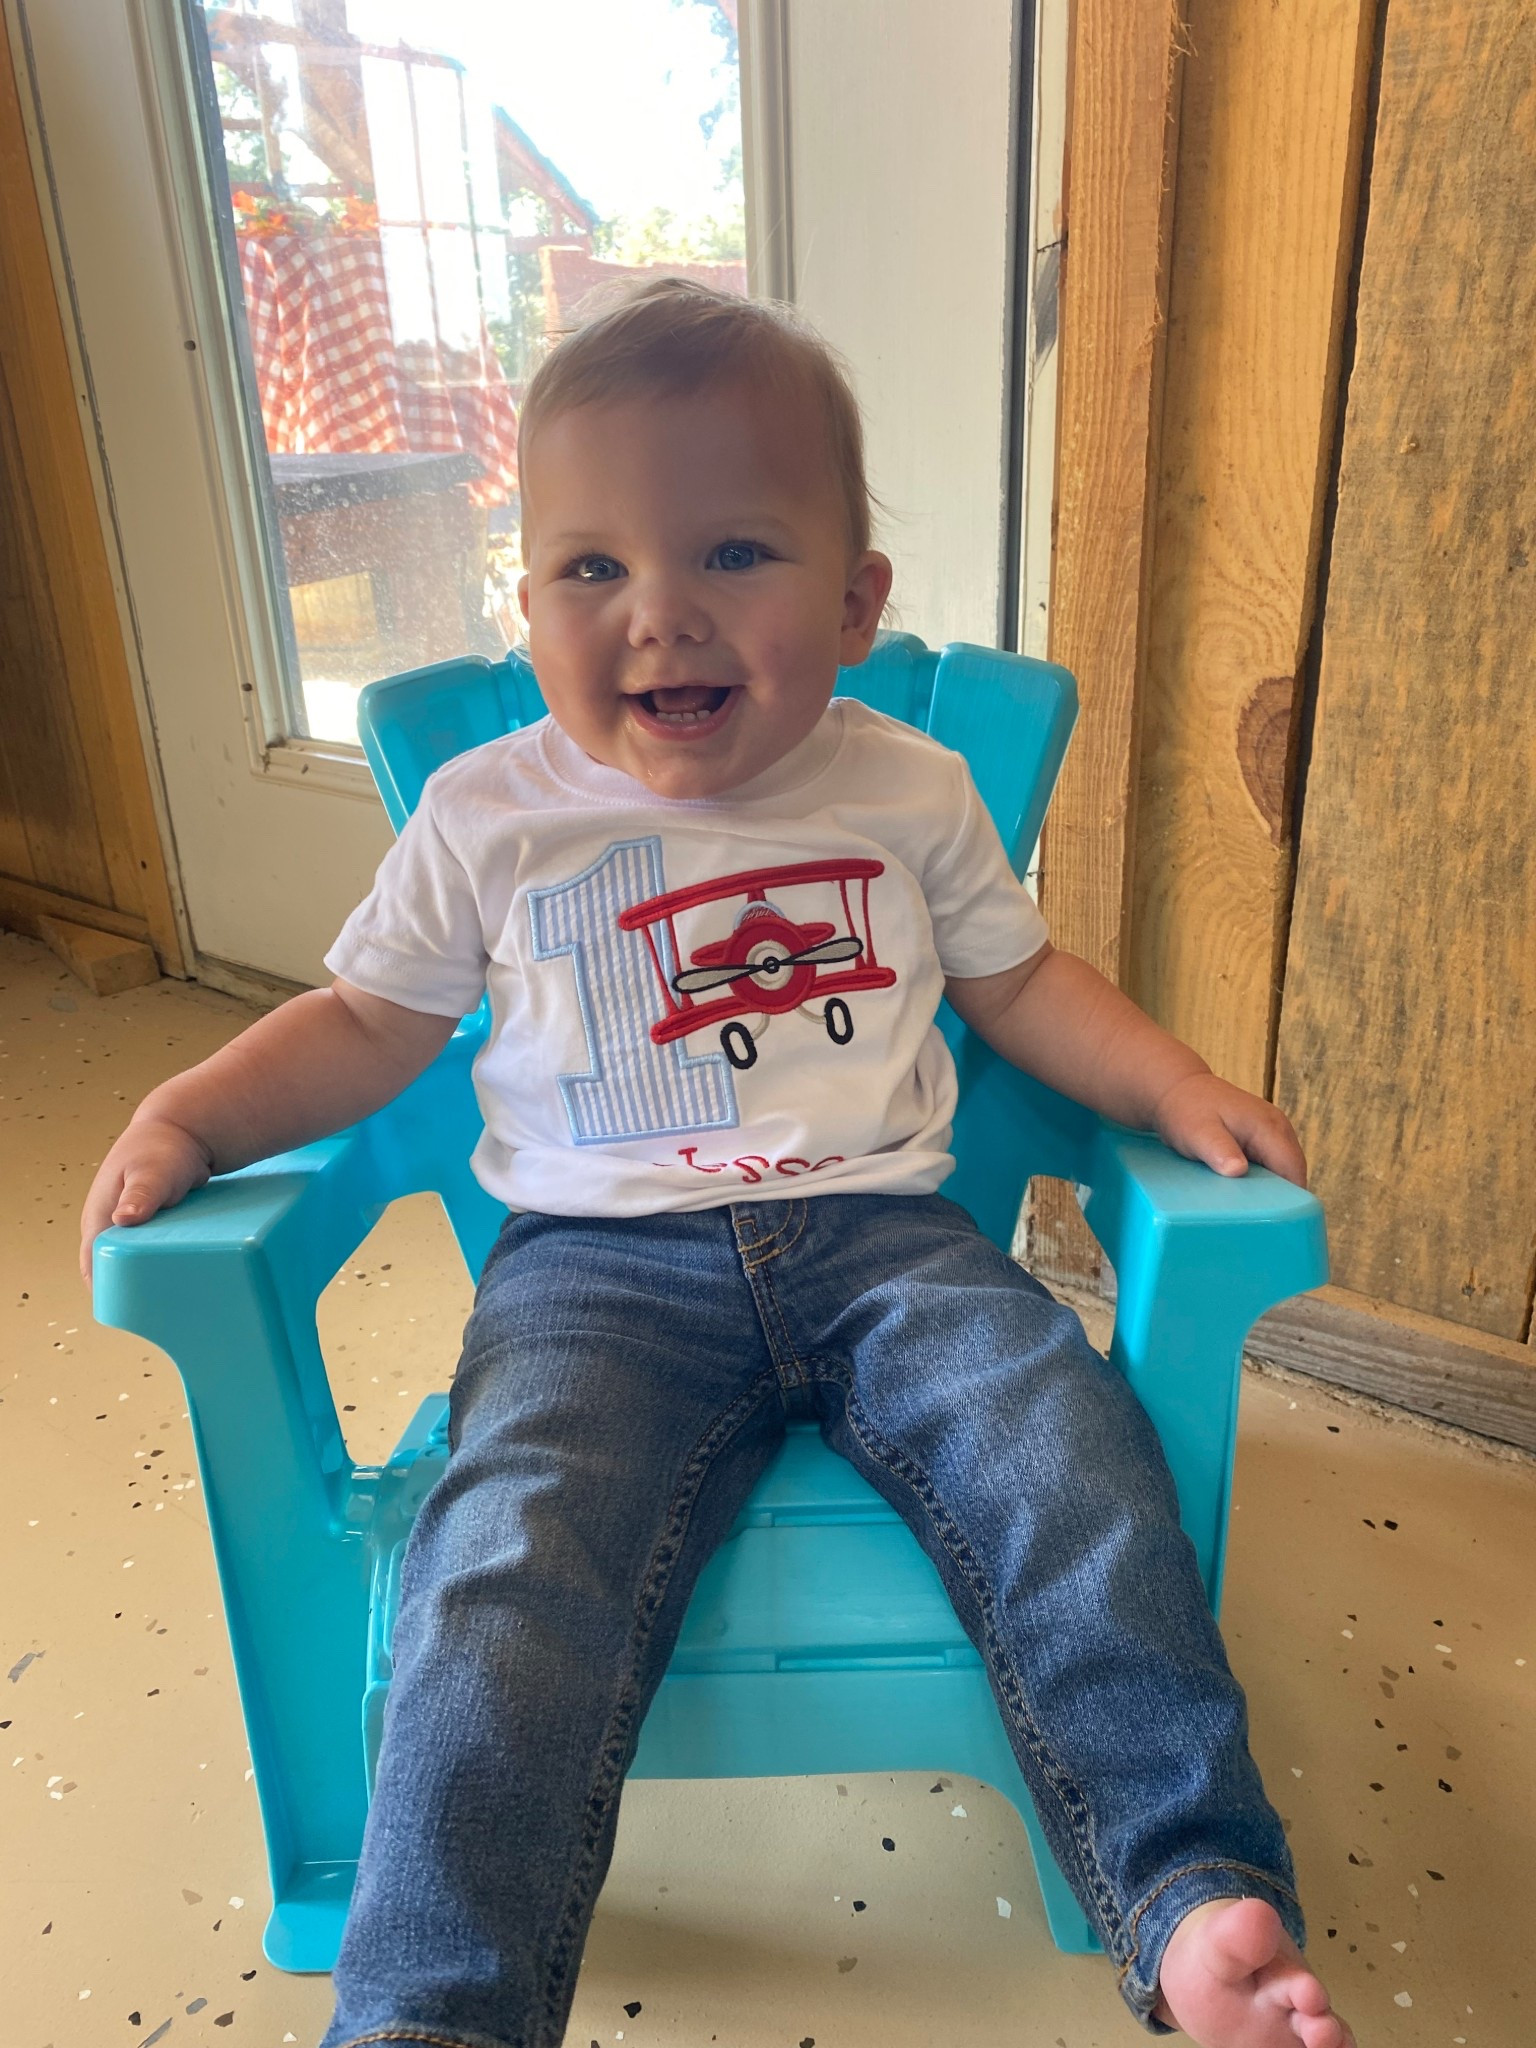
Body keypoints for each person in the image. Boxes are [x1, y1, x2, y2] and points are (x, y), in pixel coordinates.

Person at [80, 280, 1352, 2048]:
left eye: (734, 553)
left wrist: (1175, 1083)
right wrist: (197, 1115)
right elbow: (366, 1026)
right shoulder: (491, 814)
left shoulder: (904, 787)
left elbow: (1023, 985)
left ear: (855, 603)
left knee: (1068, 1453)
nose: (658, 613)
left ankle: (1191, 1888)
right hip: (595, 1278)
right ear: (526, 606)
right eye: (591, 570)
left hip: (889, 1242)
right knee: (504, 1565)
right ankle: (435, 2011)